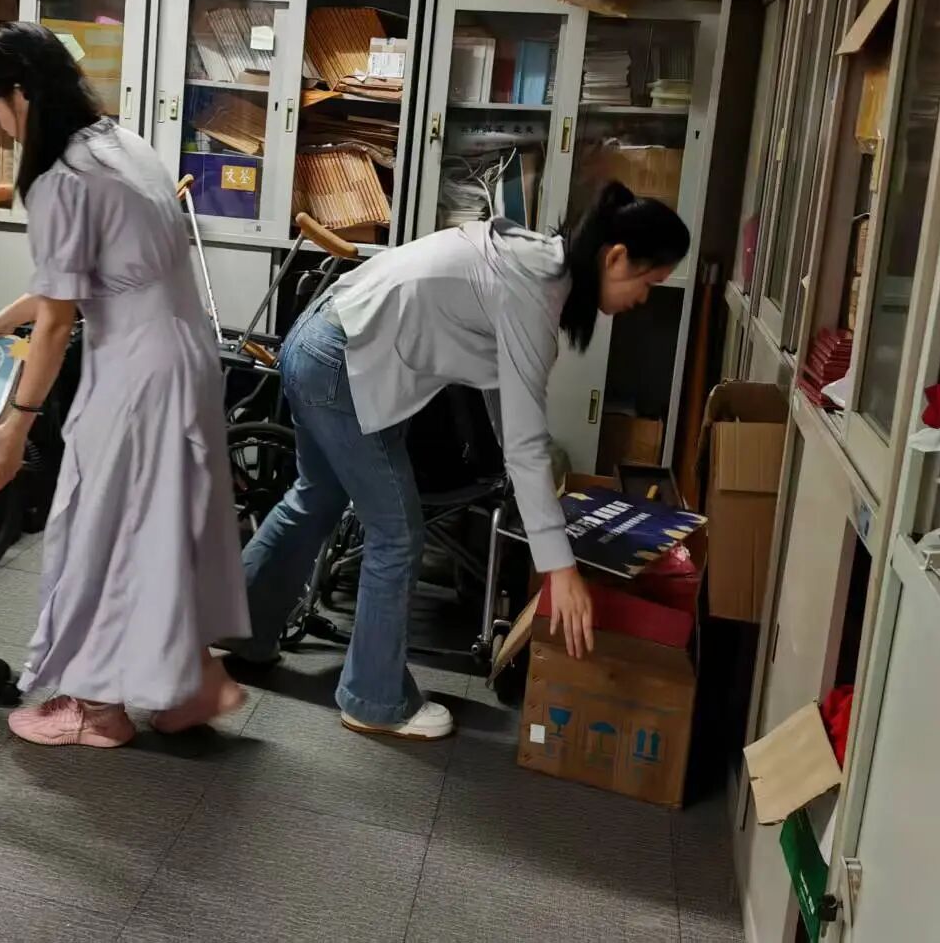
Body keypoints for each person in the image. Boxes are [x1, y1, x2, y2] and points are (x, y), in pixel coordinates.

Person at [231, 182, 690, 741]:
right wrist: (561, 569)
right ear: (615, 258)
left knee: (315, 498)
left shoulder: (532, 261)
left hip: (320, 339)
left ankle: (238, 628)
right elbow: (523, 442)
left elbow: (506, 399)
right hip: (340, 365)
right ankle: (374, 699)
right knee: (396, 534)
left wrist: (533, 498)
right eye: (649, 282)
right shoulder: (534, 291)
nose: (643, 299)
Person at [0, 22, 249, 749]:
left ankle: (98, 706)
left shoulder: (60, 178)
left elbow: (59, 321)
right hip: (186, 352)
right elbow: (94, 274)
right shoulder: (124, 144)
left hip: (136, 369)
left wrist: (17, 424)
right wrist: (4, 317)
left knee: (101, 525)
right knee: (162, 524)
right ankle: (193, 681)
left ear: (21, 96)